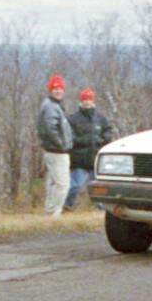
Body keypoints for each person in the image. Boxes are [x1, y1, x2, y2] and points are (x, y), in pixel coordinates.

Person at [64, 87, 114, 211]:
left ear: (93, 101)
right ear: (81, 101)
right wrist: (84, 141)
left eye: (89, 99)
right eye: (85, 99)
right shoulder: (73, 119)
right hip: (80, 160)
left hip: (96, 160)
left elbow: (108, 131)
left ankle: (101, 210)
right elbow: (70, 137)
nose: (87, 102)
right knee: (75, 186)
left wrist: (103, 140)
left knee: (98, 188)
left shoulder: (100, 118)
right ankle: (66, 206)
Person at [36, 75, 73, 217]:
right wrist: (61, 144)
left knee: (53, 182)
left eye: (60, 88)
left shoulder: (53, 105)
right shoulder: (50, 107)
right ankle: (56, 213)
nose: (58, 91)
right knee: (63, 184)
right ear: (50, 90)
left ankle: (50, 211)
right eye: (55, 88)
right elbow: (50, 129)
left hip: (54, 151)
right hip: (57, 151)